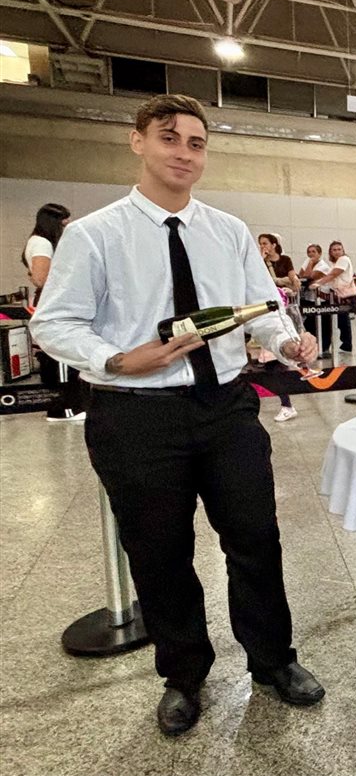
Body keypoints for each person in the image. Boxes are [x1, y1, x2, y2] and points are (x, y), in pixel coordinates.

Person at [30, 94, 325, 736]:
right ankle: (184, 674)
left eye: (196, 142)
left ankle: (274, 661)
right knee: (161, 552)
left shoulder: (227, 231)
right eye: (169, 138)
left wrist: (286, 341)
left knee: (255, 539)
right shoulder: (94, 234)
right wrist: (114, 358)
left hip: (224, 406)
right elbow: (52, 323)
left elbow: (264, 309)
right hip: (136, 414)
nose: (184, 152)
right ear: (138, 142)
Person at [23, 202, 89, 421]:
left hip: (50, 298)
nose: (67, 227)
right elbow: (42, 278)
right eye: (64, 223)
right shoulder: (41, 243)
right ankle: (64, 408)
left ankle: (64, 406)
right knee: (61, 354)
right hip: (52, 300)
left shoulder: (38, 242)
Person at [258, 234, 301, 421]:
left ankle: (286, 404)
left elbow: (293, 281)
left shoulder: (284, 260)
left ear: (274, 244)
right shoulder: (259, 262)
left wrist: (289, 284)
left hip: (275, 314)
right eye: (260, 244)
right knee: (268, 365)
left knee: (275, 364)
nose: (262, 246)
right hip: (258, 314)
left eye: (265, 243)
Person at [310, 240, 354, 354]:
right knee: (339, 320)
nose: (337, 252)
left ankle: (346, 344)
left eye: (339, 249)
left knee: (342, 320)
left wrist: (319, 283)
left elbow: (333, 274)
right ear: (330, 252)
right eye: (334, 250)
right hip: (337, 294)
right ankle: (343, 344)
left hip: (343, 294)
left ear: (343, 250)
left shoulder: (343, 260)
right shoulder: (336, 262)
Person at [297, 242, 331, 354]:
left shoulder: (324, 266)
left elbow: (309, 276)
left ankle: (324, 347)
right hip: (308, 298)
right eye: (309, 252)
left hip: (321, 299)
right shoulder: (307, 262)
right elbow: (300, 276)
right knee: (309, 324)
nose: (311, 254)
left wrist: (310, 263)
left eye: (313, 252)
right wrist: (308, 263)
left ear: (319, 254)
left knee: (323, 324)